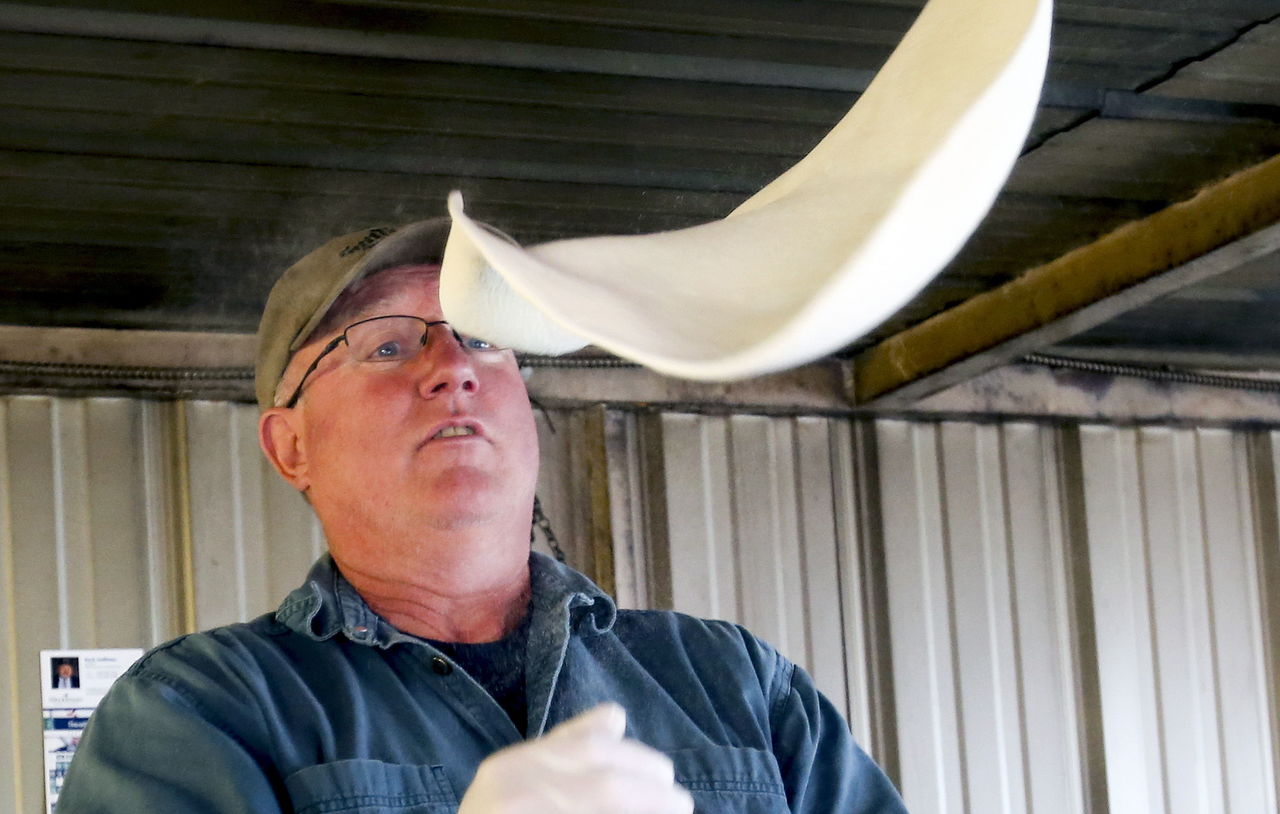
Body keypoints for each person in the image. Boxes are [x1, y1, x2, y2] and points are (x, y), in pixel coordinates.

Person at [57, 217, 908, 813]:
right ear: (291, 449)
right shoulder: (200, 713)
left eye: (481, 335)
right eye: (386, 344)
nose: (451, 365)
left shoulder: (737, 687)